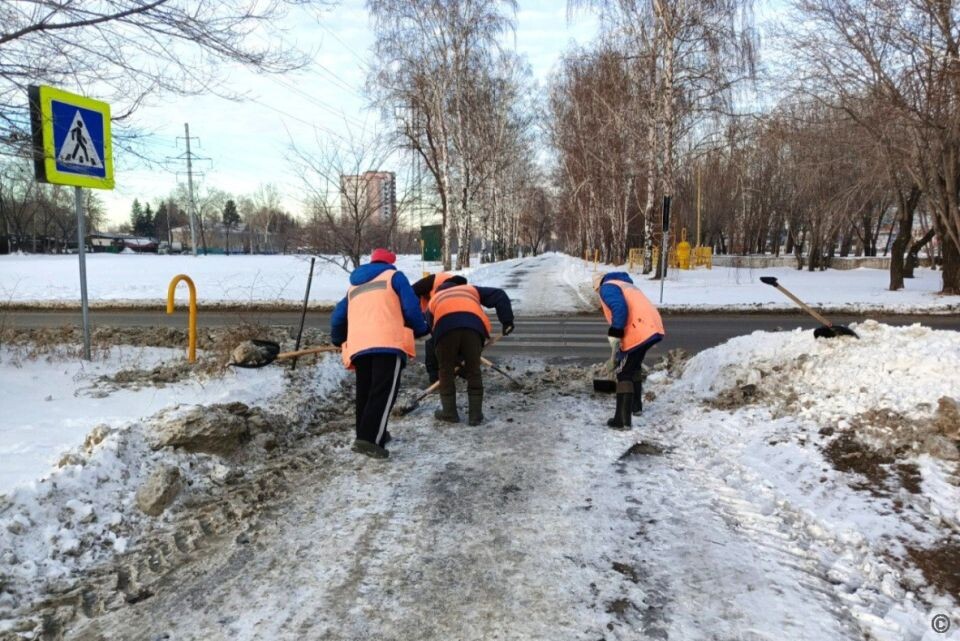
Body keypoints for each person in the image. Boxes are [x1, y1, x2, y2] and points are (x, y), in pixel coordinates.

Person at [331, 248, 429, 459]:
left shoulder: (355, 285)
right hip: (387, 342)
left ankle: (370, 434)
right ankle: (370, 440)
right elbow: (411, 307)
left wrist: (338, 339)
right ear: (390, 263)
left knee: (365, 391)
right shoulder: (394, 276)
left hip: (359, 346)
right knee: (383, 391)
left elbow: (338, 316)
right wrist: (421, 328)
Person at [427, 276, 514, 426]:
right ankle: (475, 415)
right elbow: (499, 295)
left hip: (445, 330)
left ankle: (449, 413)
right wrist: (507, 321)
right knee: (474, 370)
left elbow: (432, 333)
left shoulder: (434, 299)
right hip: (473, 328)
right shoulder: (470, 289)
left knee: (446, 370)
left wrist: (451, 358)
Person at [593, 271, 664, 429]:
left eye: (596, 291)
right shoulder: (624, 284)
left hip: (638, 328)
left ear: (597, 285)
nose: (598, 294)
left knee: (623, 372)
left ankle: (622, 421)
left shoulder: (607, 287)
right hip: (652, 326)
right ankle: (635, 407)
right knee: (633, 366)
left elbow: (619, 309)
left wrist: (615, 333)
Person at [412, 271, 454, 384]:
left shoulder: (430, 285)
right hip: (448, 311)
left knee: (432, 339)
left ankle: (435, 376)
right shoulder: (430, 285)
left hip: (442, 309)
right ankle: (445, 372)